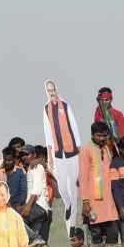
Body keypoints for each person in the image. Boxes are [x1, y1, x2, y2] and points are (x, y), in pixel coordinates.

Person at [42, 80, 81, 234]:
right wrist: (49, 155)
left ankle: (72, 225)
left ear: (56, 89)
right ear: (46, 92)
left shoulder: (65, 105)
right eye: (48, 90)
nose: (51, 92)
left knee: (73, 186)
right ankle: (68, 205)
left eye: (53, 89)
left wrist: (78, 148)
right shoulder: (46, 109)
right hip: (58, 153)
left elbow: (74, 125)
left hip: (72, 150)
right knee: (63, 187)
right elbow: (47, 133)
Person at [80, 122, 119, 244]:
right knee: (95, 240)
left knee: (112, 236)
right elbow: (83, 177)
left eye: (104, 135)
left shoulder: (107, 148)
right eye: (99, 135)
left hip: (109, 202)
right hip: (93, 203)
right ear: (92, 135)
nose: (102, 138)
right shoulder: (86, 149)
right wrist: (85, 201)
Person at [19, 145, 51, 244]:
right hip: (41, 209)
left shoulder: (35, 166)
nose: (24, 157)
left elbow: (36, 189)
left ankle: (35, 238)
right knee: (34, 244)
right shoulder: (32, 166)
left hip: (37, 206)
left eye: (26, 154)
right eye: (22, 155)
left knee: (16, 220)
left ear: (34, 155)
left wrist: (28, 207)